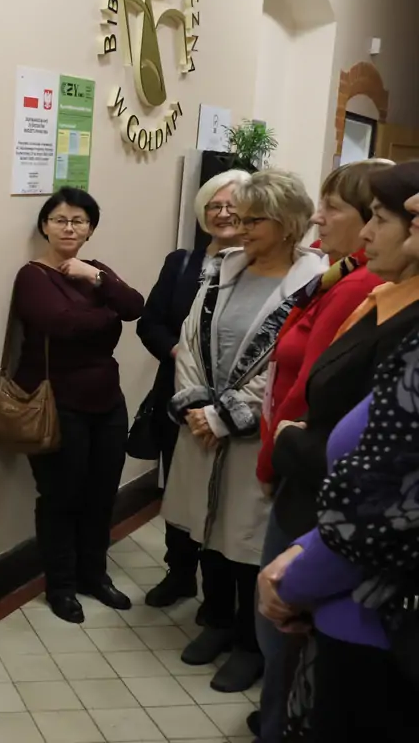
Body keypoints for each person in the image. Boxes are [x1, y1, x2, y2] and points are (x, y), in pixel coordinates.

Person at [258, 161, 419, 741]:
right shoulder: (373, 291)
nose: (320, 220)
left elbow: (383, 500)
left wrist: (298, 576)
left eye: (381, 217)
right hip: (334, 554)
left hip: (378, 610)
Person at [160, 170, 326, 692]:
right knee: (207, 529)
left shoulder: (312, 283)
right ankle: (214, 619)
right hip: (201, 428)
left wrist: (223, 416)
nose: (240, 226)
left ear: (287, 224)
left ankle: (249, 642)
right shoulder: (222, 270)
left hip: (255, 434)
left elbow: (289, 367)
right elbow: (190, 340)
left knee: (246, 538)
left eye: (255, 220)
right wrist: (195, 406)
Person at [11, 187, 145, 624]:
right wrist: (107, 315)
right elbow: (61, 324)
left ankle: (94, 576)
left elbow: (135, 306)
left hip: (108, 402)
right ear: (44, 227)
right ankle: (61, 586)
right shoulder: (32, 276)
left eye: (79, 221)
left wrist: (99, 280)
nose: (69, 228)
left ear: (90, 229)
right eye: (60, 220)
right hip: (57, 403)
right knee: (61, 497)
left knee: (101, 495)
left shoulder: (95, 270)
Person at [138, 169, 250, 610]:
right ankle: (180, 573)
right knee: (180, 486)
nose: (222, 214)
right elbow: (150, 323)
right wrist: (179, 353)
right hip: (177, 396)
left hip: (234, 401)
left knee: (226, 494)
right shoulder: (181, 263)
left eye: (231, 206)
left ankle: (219, 591)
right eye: (213, 206)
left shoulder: (260, 269)